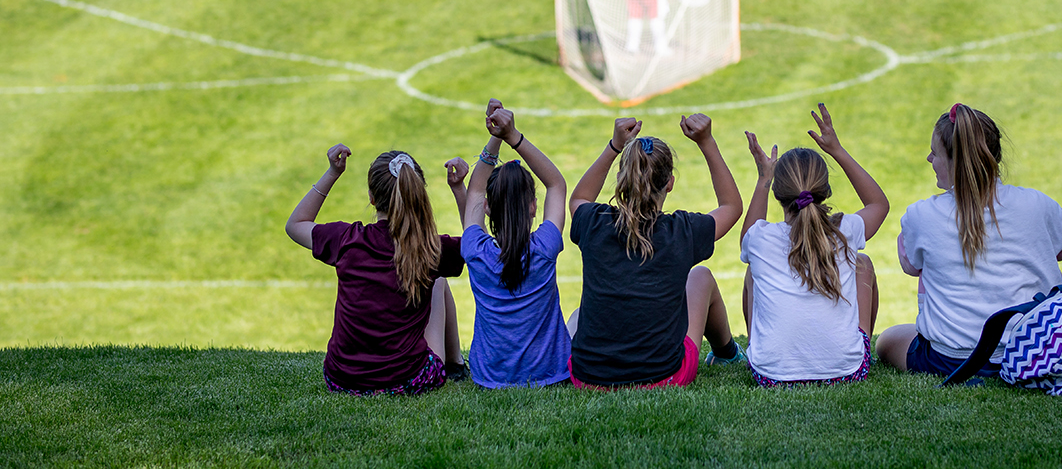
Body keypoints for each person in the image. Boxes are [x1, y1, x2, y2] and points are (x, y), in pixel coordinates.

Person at [875, 104, 1062, 379]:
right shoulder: (1038, 204)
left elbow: (910, 265)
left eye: (935, 153)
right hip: (1035, 352)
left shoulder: (920, 215)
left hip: (951, 360)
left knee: (886, 340)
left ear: (954, 163)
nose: (928, 159)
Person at [566, 114, 746, 388]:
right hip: (665, 377)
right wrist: (706, 142)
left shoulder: (594, 222)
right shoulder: (681, 231)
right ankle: (726, 354)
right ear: (670, 183)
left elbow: (579, 199)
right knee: (700, 277)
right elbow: (731, 207)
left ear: (621, 178)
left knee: (577, 316)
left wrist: (614, 146)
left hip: (587, 379)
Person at [285, 145, 470, 395]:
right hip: (409, 380)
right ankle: (455, 364)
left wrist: (332, 173)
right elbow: (476, 245)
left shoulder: (347, 239)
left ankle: (455, 363)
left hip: (341, 380)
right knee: (438, 280)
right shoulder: (432, 248)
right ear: (419, 193)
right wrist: (459, 189)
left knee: (435, 276)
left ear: (372, 198)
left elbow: (295, 225)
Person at [739, 104, 889, 387]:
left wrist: (762, 179)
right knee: (863, 264)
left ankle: (761, 348)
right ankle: (857, 347)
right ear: (826, 190)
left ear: (777, 194)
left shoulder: (760, 239)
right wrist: (838, 151)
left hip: (770, 376)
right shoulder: (845, 229)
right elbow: (879, 205)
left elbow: (746, 240)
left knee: (752, 272)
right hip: (846, 373)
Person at [459, 100, 573, 388]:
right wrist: (512, 136)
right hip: (551, 375)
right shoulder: (545, 247)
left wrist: (495, 138)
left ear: (487, 208)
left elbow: (473, 190)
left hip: (490, 377)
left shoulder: (474, 250)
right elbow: (556, 184)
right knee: (579, 317)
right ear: (534, 207)